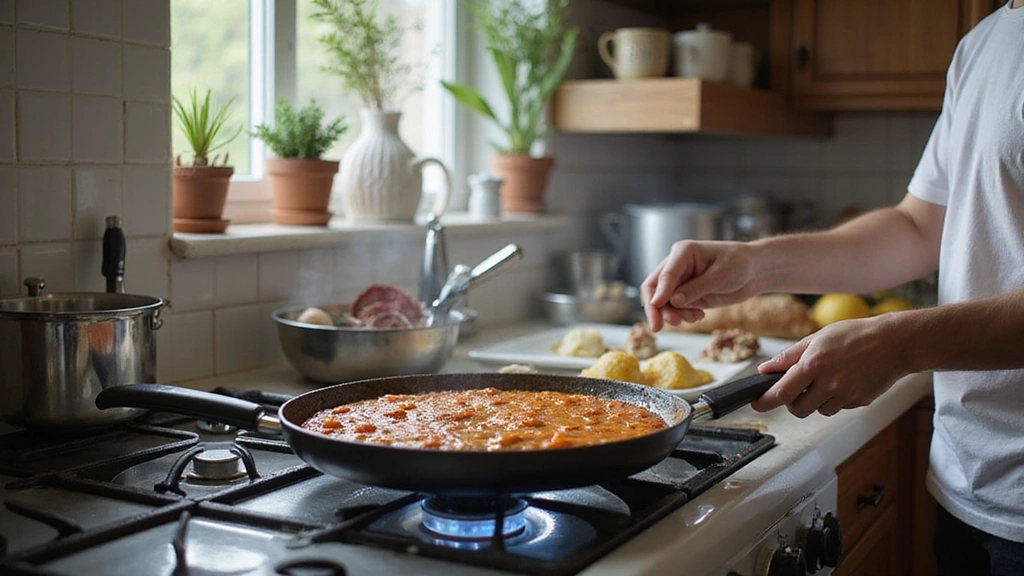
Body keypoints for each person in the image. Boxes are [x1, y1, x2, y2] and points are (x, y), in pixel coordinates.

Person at [640, 2, 1024, 574]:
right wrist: (756, 264)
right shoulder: (987, 39)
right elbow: (918, 226)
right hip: (968, 479)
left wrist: (898, 345)